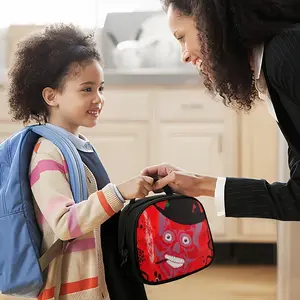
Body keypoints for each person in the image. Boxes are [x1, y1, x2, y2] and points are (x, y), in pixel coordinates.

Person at [8, 24, 153, 300]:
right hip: (77, 285)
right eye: (86, 89)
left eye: (100, 88)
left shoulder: (79, 145)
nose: (98, 99)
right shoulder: (47, 154)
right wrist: (120, 192)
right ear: (51, 96)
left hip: (105, 272)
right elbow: (64, 223)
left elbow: (97, 209)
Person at [142, 0, 300, 221]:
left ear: (211, 23)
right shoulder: (274, 61)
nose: (184, 55)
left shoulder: (286, 55)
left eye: (182, 37)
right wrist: (198, 184)